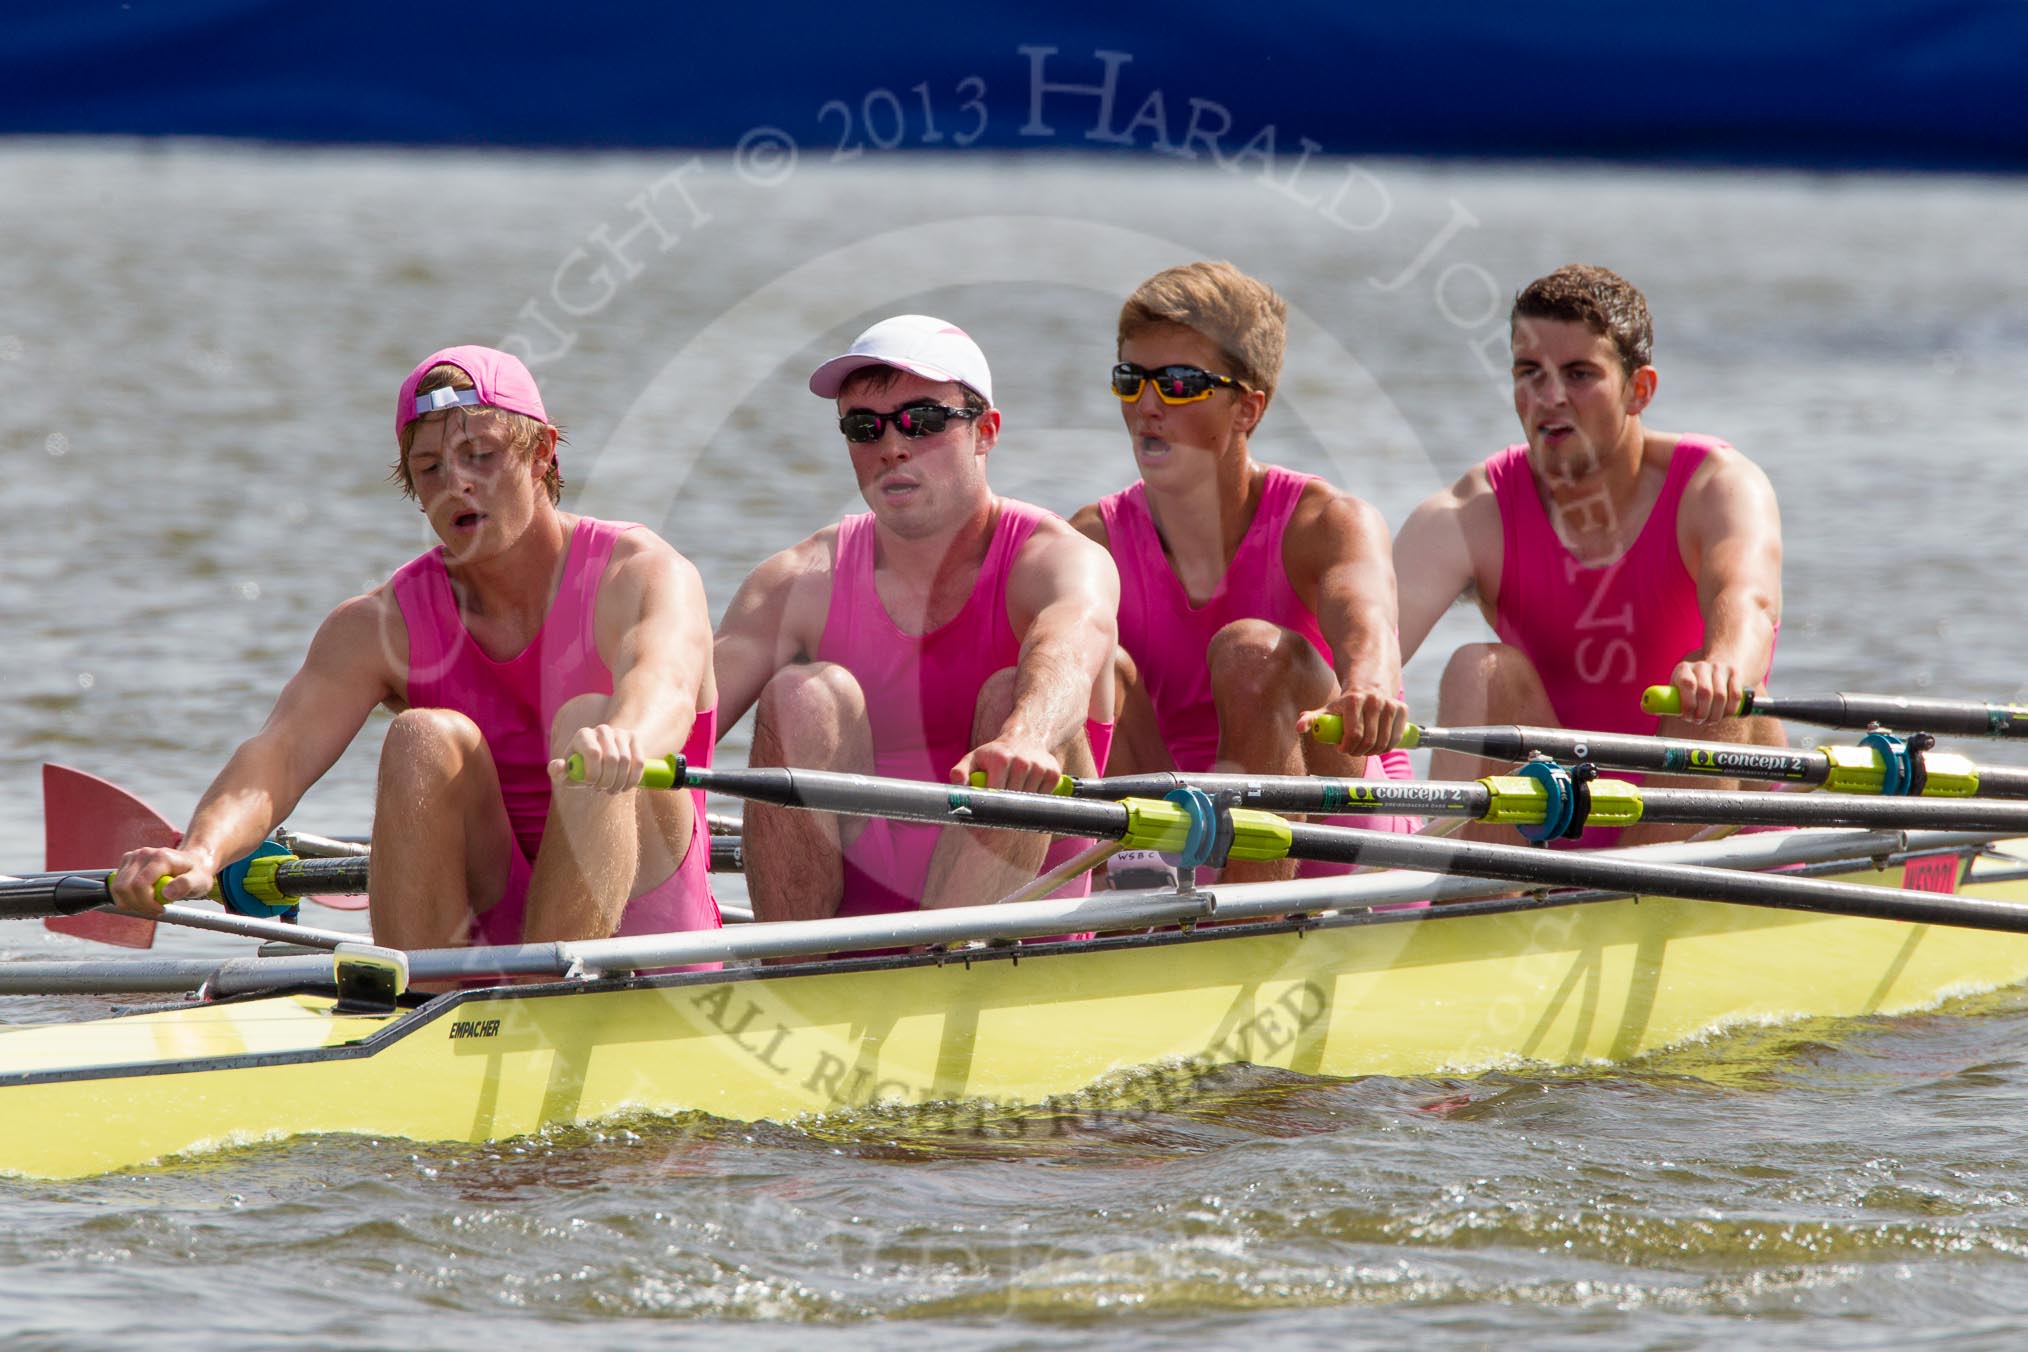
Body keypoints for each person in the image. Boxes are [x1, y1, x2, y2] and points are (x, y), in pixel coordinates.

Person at [110, 345, 722, 955]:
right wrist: (201, 850)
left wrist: (628, 737)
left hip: (644, 928)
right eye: (429, 468)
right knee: (421, 736)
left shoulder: (641, 573)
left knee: (590, 719)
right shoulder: (381, 624)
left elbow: (664, 686)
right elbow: (281, 752)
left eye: (479, 455)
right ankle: (421, 999)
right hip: (493, 925)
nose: (455, 483)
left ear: (542, 454)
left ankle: (550, 994)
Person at [713, 314, 1118, 922]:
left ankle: (944, 960)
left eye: (923, 420)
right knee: (802, 693)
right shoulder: (798, 580)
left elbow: (1072, 639)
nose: (892, 447)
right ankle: (801, 973)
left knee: (1015, 691)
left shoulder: (1058, 559)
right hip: (839, 922)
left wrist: (1026, 737)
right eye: (864, 427)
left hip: (1017, 919)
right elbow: (679, 714)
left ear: (986, 432)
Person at [1393, 263, 1784, 844]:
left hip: (1694, 817)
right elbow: (1366, 643)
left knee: (1713, 691)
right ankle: (1465, 895)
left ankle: (1657, 904)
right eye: (1531, 374)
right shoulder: (1471, 510)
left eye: (1579, 375)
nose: (1550, 399)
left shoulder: (1717, 485)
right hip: (1554, 819)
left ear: (1639, 390)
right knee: (1481, 667)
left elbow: (1747, 599)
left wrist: (1724, 665)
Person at [1068, 261, 1418, 885]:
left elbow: (1368, 621)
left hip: (1339, 822)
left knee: (1251, 651)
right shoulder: (1094, 538)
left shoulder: (1328, 521)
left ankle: (1240, 929)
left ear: (1246, 409)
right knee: (1085, 663)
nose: (1148, 406)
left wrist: (1368, 683)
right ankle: (1125, 897)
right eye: (1131, 379)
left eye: (1178, 383)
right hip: (1186, 828)